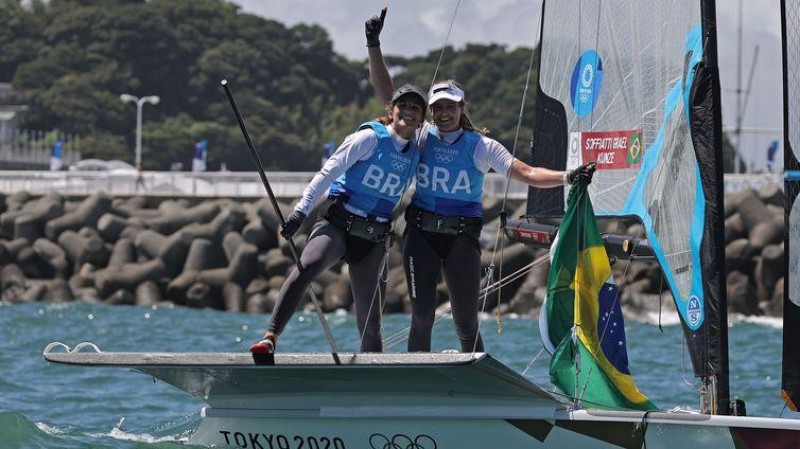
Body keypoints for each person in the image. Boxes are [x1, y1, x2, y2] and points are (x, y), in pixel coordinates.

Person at [365, 8, 595, 353]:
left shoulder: (481, 146)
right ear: (430, 112)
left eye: (450, 108)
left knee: (466, 321)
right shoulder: (421, 135)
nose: (444, 113)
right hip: (421, 236)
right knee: (422, 318)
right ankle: (417, 380)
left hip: (462, 238)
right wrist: (373, 44)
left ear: (461, 109)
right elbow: (388, 95)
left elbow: (527, 173)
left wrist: (568, 177)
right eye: (438, 108)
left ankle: (477, 377)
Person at [250, 83, 428, 355]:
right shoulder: (368, 139)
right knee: (306, 267)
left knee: (371, 323)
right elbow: (328, 173)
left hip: (373, 238)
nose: (408, 111)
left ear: (422, 118)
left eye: (416, 108)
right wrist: (300, 212)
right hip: (339, 225)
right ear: (390, 110)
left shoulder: (418, 152)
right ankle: (270, 337)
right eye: (402, 105)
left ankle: (373, 373)